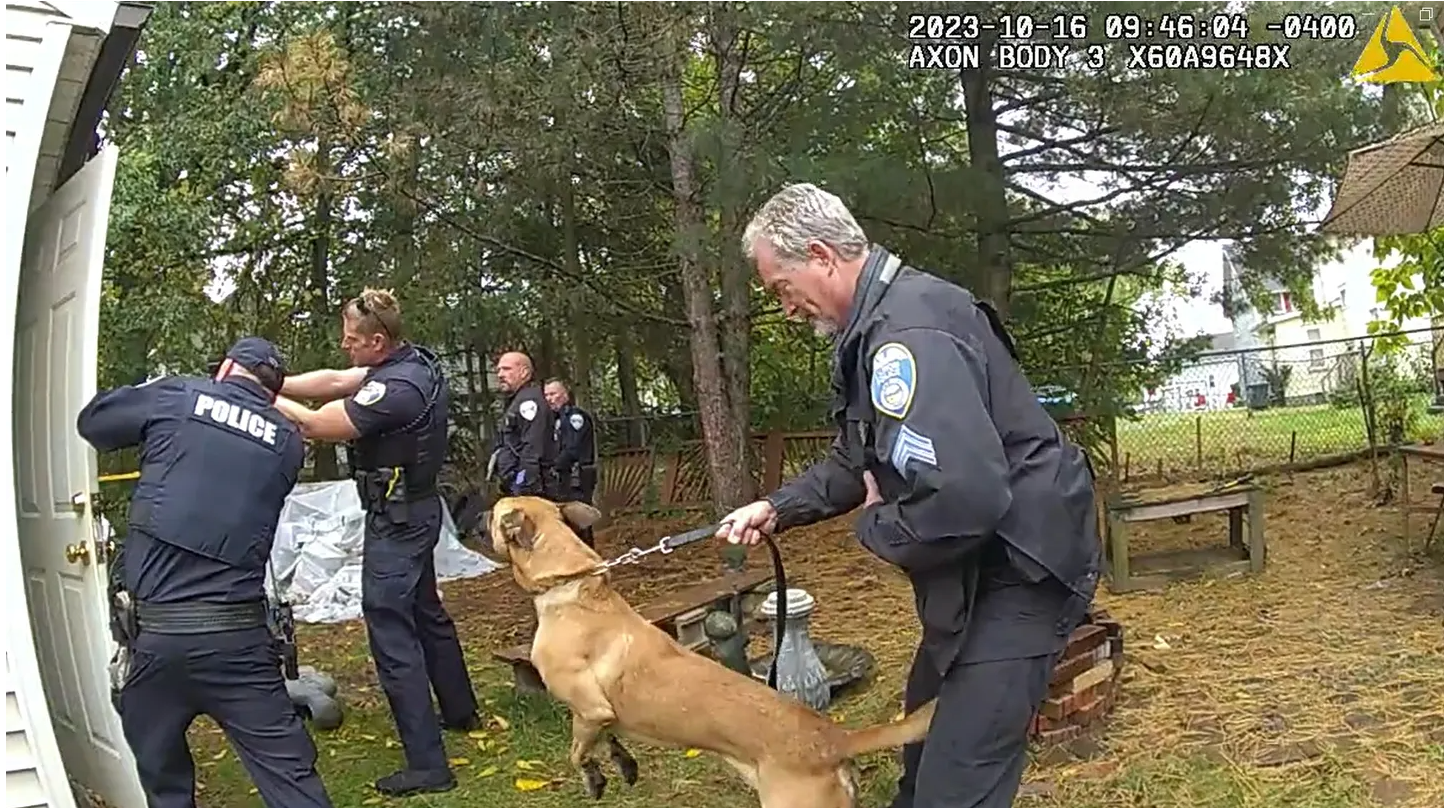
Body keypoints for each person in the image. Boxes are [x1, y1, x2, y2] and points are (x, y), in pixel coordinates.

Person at [715, 183, 1101, 808]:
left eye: (780, 288)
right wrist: (776, 508)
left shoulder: (908, 335)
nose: (785, 308)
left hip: (1023, 569)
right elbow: (856, 459)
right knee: (921, 747)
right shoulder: (876, 326)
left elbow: (969, 498)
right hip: (977, 572)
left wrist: (876, 526)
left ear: (820, 255)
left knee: (957, 781)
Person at [76, 337, 335, 808]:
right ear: (273, 390)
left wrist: (150, 389)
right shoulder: (288, 443)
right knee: (290, 778)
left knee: (162, 777)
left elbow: (93, 423)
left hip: (159, 643)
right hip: (239, 642)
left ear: (227, 368)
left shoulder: (177, 396)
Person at [272, 289, 479, 797]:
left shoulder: (396, 390)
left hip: (398, 521)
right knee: (427, 612)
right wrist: (270, 380)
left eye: (352, 340)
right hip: (416, 511)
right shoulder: (410, 365)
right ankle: (460, 711)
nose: (345, 346)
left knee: (391, 632)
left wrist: (262, 397)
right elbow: (337, 381)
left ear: (378, 342)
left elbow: (321, 424)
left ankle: (429, 765)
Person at [490, 351, 556, 498]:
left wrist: (520, 486)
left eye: (507, 369)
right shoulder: (516, 401)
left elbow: (532, 450)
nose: (500, 374)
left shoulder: (529, 402)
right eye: (498, 370)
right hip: (515, 486)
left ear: (524, 372)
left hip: (532, 491)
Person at [544, 378, 599, 547]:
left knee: (580, 519)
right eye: (546, 395)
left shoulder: (575, 417)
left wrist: (554, 465)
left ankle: (588, 557)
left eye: (553, 394)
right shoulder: (555, 420)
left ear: (565, 395)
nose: (549, 399)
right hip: (564, 477)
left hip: (578, 476)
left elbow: (573, 449)